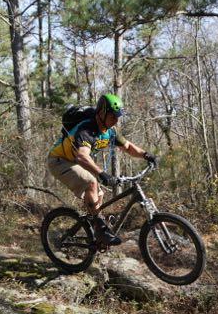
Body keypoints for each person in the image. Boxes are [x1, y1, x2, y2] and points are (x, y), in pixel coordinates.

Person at [47, 93, 157, 245]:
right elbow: (82, 156)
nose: (116, 120)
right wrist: (101, 173)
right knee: (92, 182)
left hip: (75, 162)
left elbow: (128, 147)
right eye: (113, 116)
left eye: (118, 117)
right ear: (101, 114)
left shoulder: (109, 131)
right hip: (59, 161)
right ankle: (100, 230)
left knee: (99, 194)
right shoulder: (86, 130)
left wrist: (147, 155)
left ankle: (95, 231)